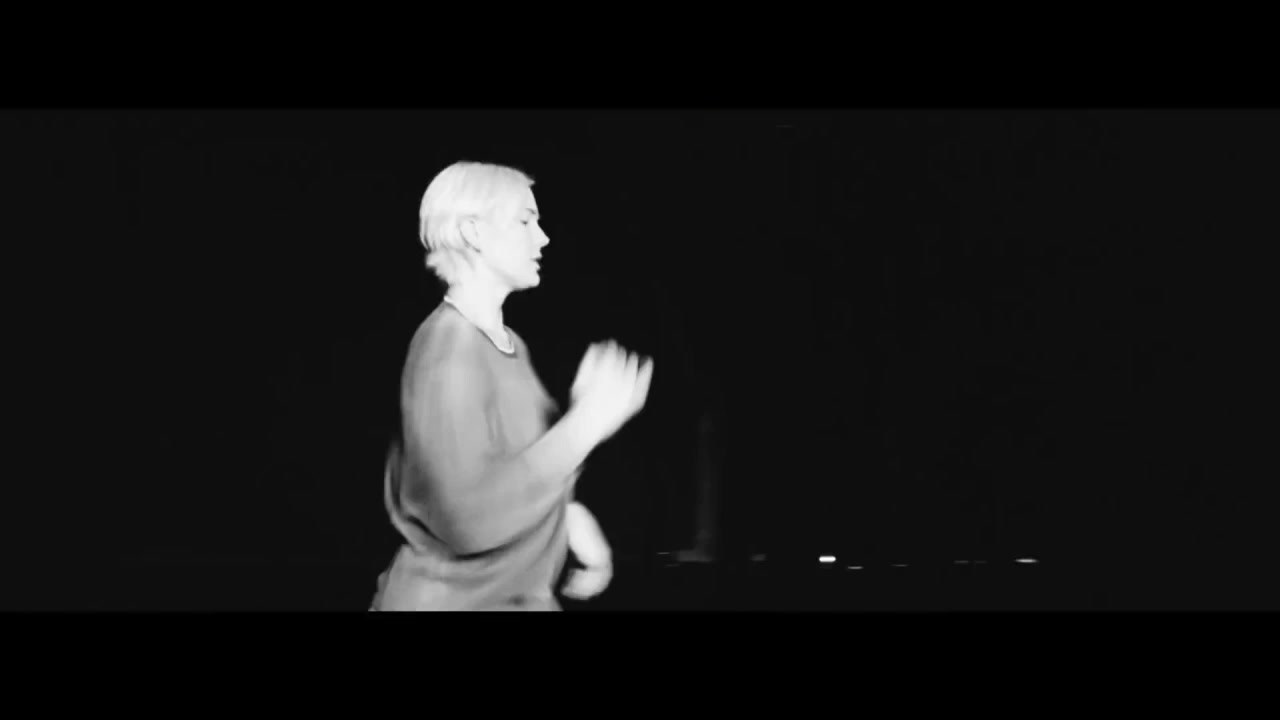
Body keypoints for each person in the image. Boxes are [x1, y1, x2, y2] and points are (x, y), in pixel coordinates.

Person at [369, 161, 653, 611]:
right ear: (473, 232)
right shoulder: (449, 350)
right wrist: (586, 425)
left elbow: (516, 471)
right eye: (524, 221)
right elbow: (466, 518)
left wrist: (571, 521)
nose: (543, 237)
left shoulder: (510, 346)